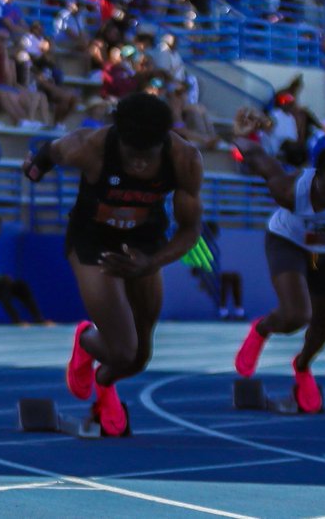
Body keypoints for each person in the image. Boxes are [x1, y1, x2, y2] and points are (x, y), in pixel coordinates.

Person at [23, 92, 204, 436]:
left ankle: (104, 386)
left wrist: (150, 262)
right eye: (131, 156)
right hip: (93, 242)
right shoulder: (89, 146)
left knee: (138, 357)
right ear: (118, 138)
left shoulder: (184, 159)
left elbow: (190, 230)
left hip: (144, 244)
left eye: (146, 157)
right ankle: (86, 339)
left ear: (163, 143)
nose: (137, 165)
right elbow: (51, 151)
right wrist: (35, 168)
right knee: (122, 348)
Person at [233, 109, 325, 414]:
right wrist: (242, 135)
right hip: (288, 243)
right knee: (297, 315)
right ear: (315, 176)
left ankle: (303, 367)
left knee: (322, 325)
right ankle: (262, 329)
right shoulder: (290, 190)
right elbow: (259, 161)